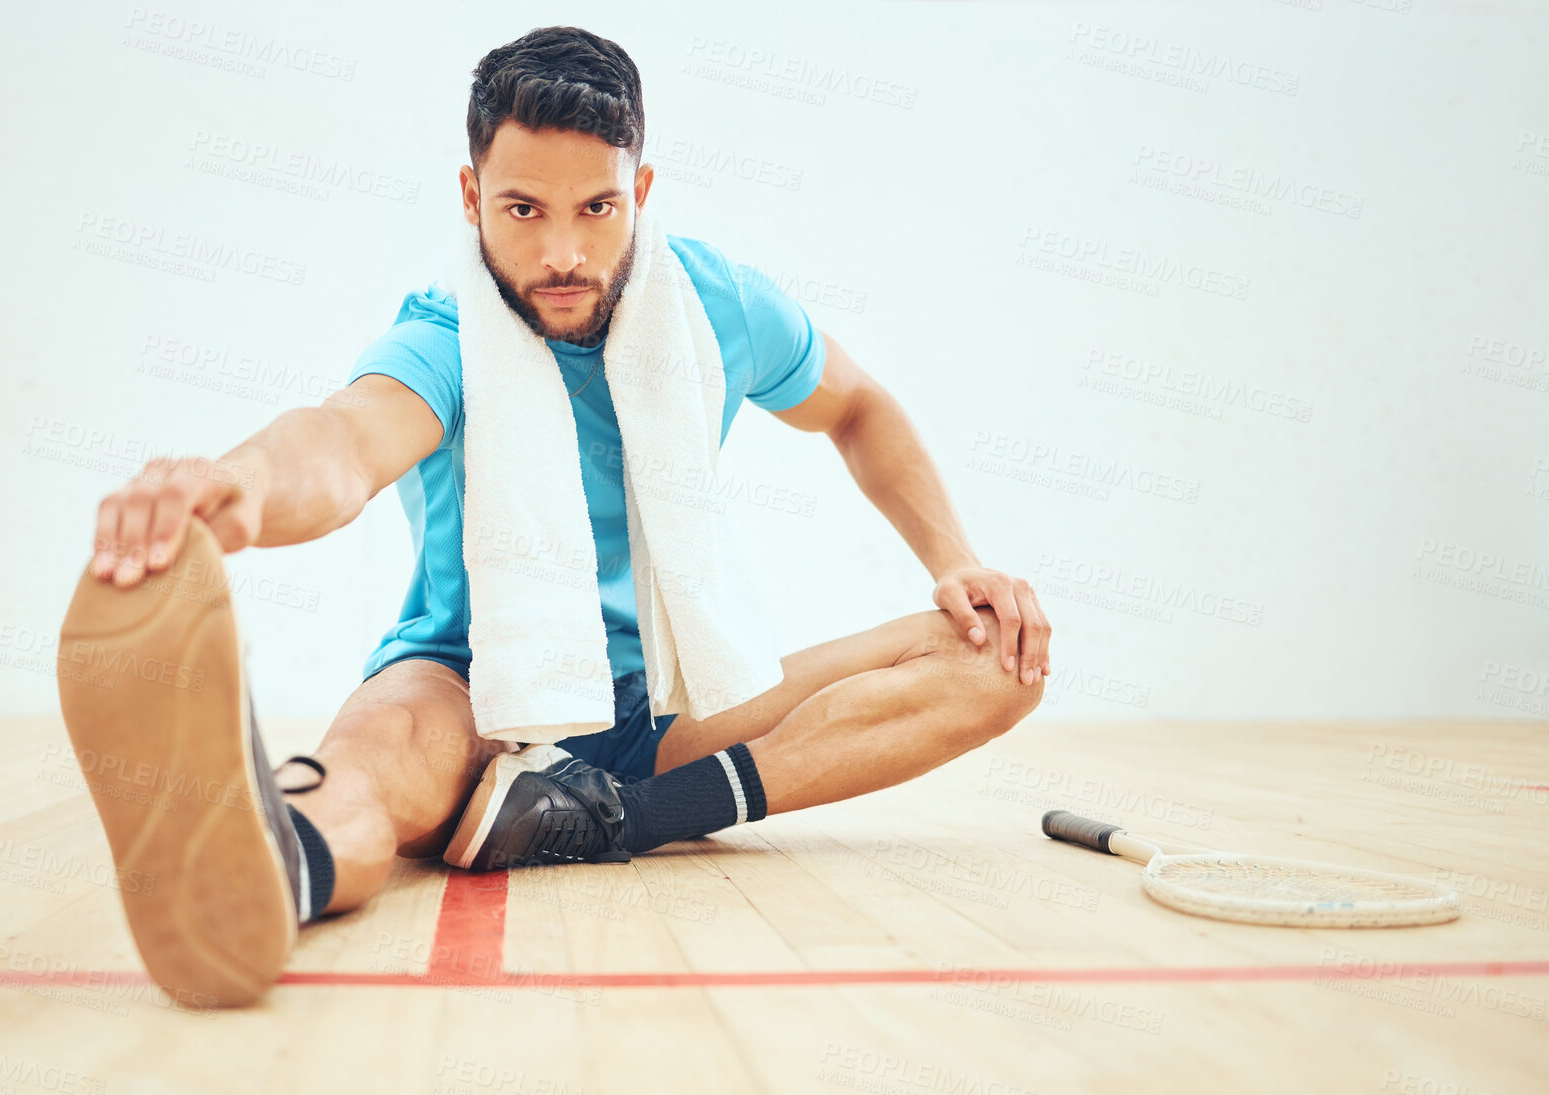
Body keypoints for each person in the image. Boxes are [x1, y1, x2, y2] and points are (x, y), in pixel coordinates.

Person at [57, 25, 1050, 1008]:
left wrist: (954, 560)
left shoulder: (715, 306)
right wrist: (239, 484)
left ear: (641, 192)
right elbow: (345, 442)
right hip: (465, 688)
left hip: (660, 702)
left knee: (991, 655)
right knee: (368, 767)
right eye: (523, 209)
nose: (562, 252)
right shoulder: (444, 334)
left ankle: (618, 817)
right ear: (470, 197)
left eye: (597, 208)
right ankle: (262, 865)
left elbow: (857, 406)